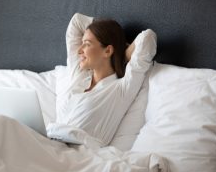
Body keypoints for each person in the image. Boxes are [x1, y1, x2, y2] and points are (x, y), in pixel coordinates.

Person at [47, 13, 157, 148]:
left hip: (77, 156)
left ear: (108, 50)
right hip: (50, 145)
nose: (79, 50)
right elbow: (76, 22)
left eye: (86, 44)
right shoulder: (79, 76)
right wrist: (99, 31)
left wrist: (121, 54)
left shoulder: (121, 89)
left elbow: (147, 38)